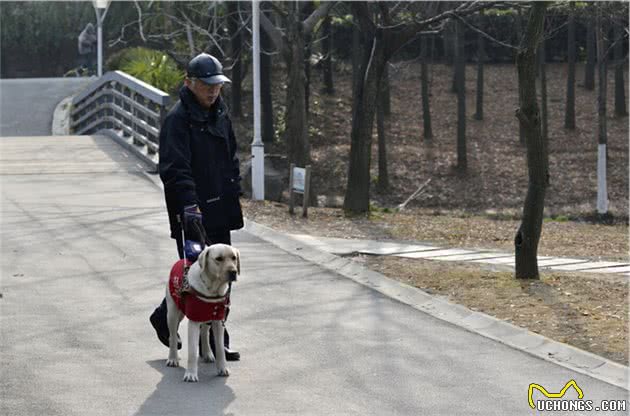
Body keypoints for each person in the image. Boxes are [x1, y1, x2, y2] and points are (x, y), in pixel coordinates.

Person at [150, 53, 244, 361]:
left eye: (216, 84)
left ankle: (216, 337)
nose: (213, 90)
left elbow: (231, 154)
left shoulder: (220, 113)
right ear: (189, 83)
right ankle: (189, 328)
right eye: (206, 85)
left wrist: (234, 186)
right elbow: (175, 169)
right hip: (192, 212)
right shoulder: (178, 120)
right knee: (197, 275)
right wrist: (189, 205)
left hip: (221, 206)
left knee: (225, 272)